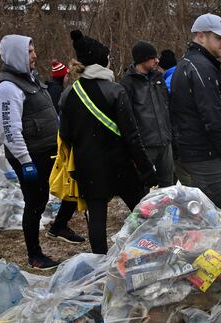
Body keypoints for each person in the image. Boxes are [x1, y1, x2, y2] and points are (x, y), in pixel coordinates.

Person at [0, 34, 84, 270]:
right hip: (31, 156)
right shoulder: (7, 87)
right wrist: (25, 161)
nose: (35, 55)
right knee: (36, 202)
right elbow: (9, 129)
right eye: (30, 51)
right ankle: (34, 254)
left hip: (49, 149)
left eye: (33, 50)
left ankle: (59, 225)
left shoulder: (29, 79)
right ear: (16, 55)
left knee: (73, 184)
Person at [59, 30, 155, 254]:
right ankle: (155, 249)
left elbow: (65, 135)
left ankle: (99, 264)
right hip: (119, 164)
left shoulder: (68, 94)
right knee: (142, 211)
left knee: (97, 216)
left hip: (87, 165)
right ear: (101, 61)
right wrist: (146, 168)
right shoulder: (115, 91)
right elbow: (132, 135)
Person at [170, 13, 221, 221]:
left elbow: (204, 110)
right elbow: (211, 116)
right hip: (207, 154)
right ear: (201, 36)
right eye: (219, 38)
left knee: (211, 215)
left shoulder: (195, 63)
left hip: (199, 152)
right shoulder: (200, 66)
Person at [121, 40, 174, 188]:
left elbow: (166, 105)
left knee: (168, 186)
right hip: (145, 146)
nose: (157, 60)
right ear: (142, 59)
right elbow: (126, 117)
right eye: (153, 57)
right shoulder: (127, 83)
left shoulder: (158, 78)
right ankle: (143, 211)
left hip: (165, 142)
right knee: (141, 185)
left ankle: (167, 211)